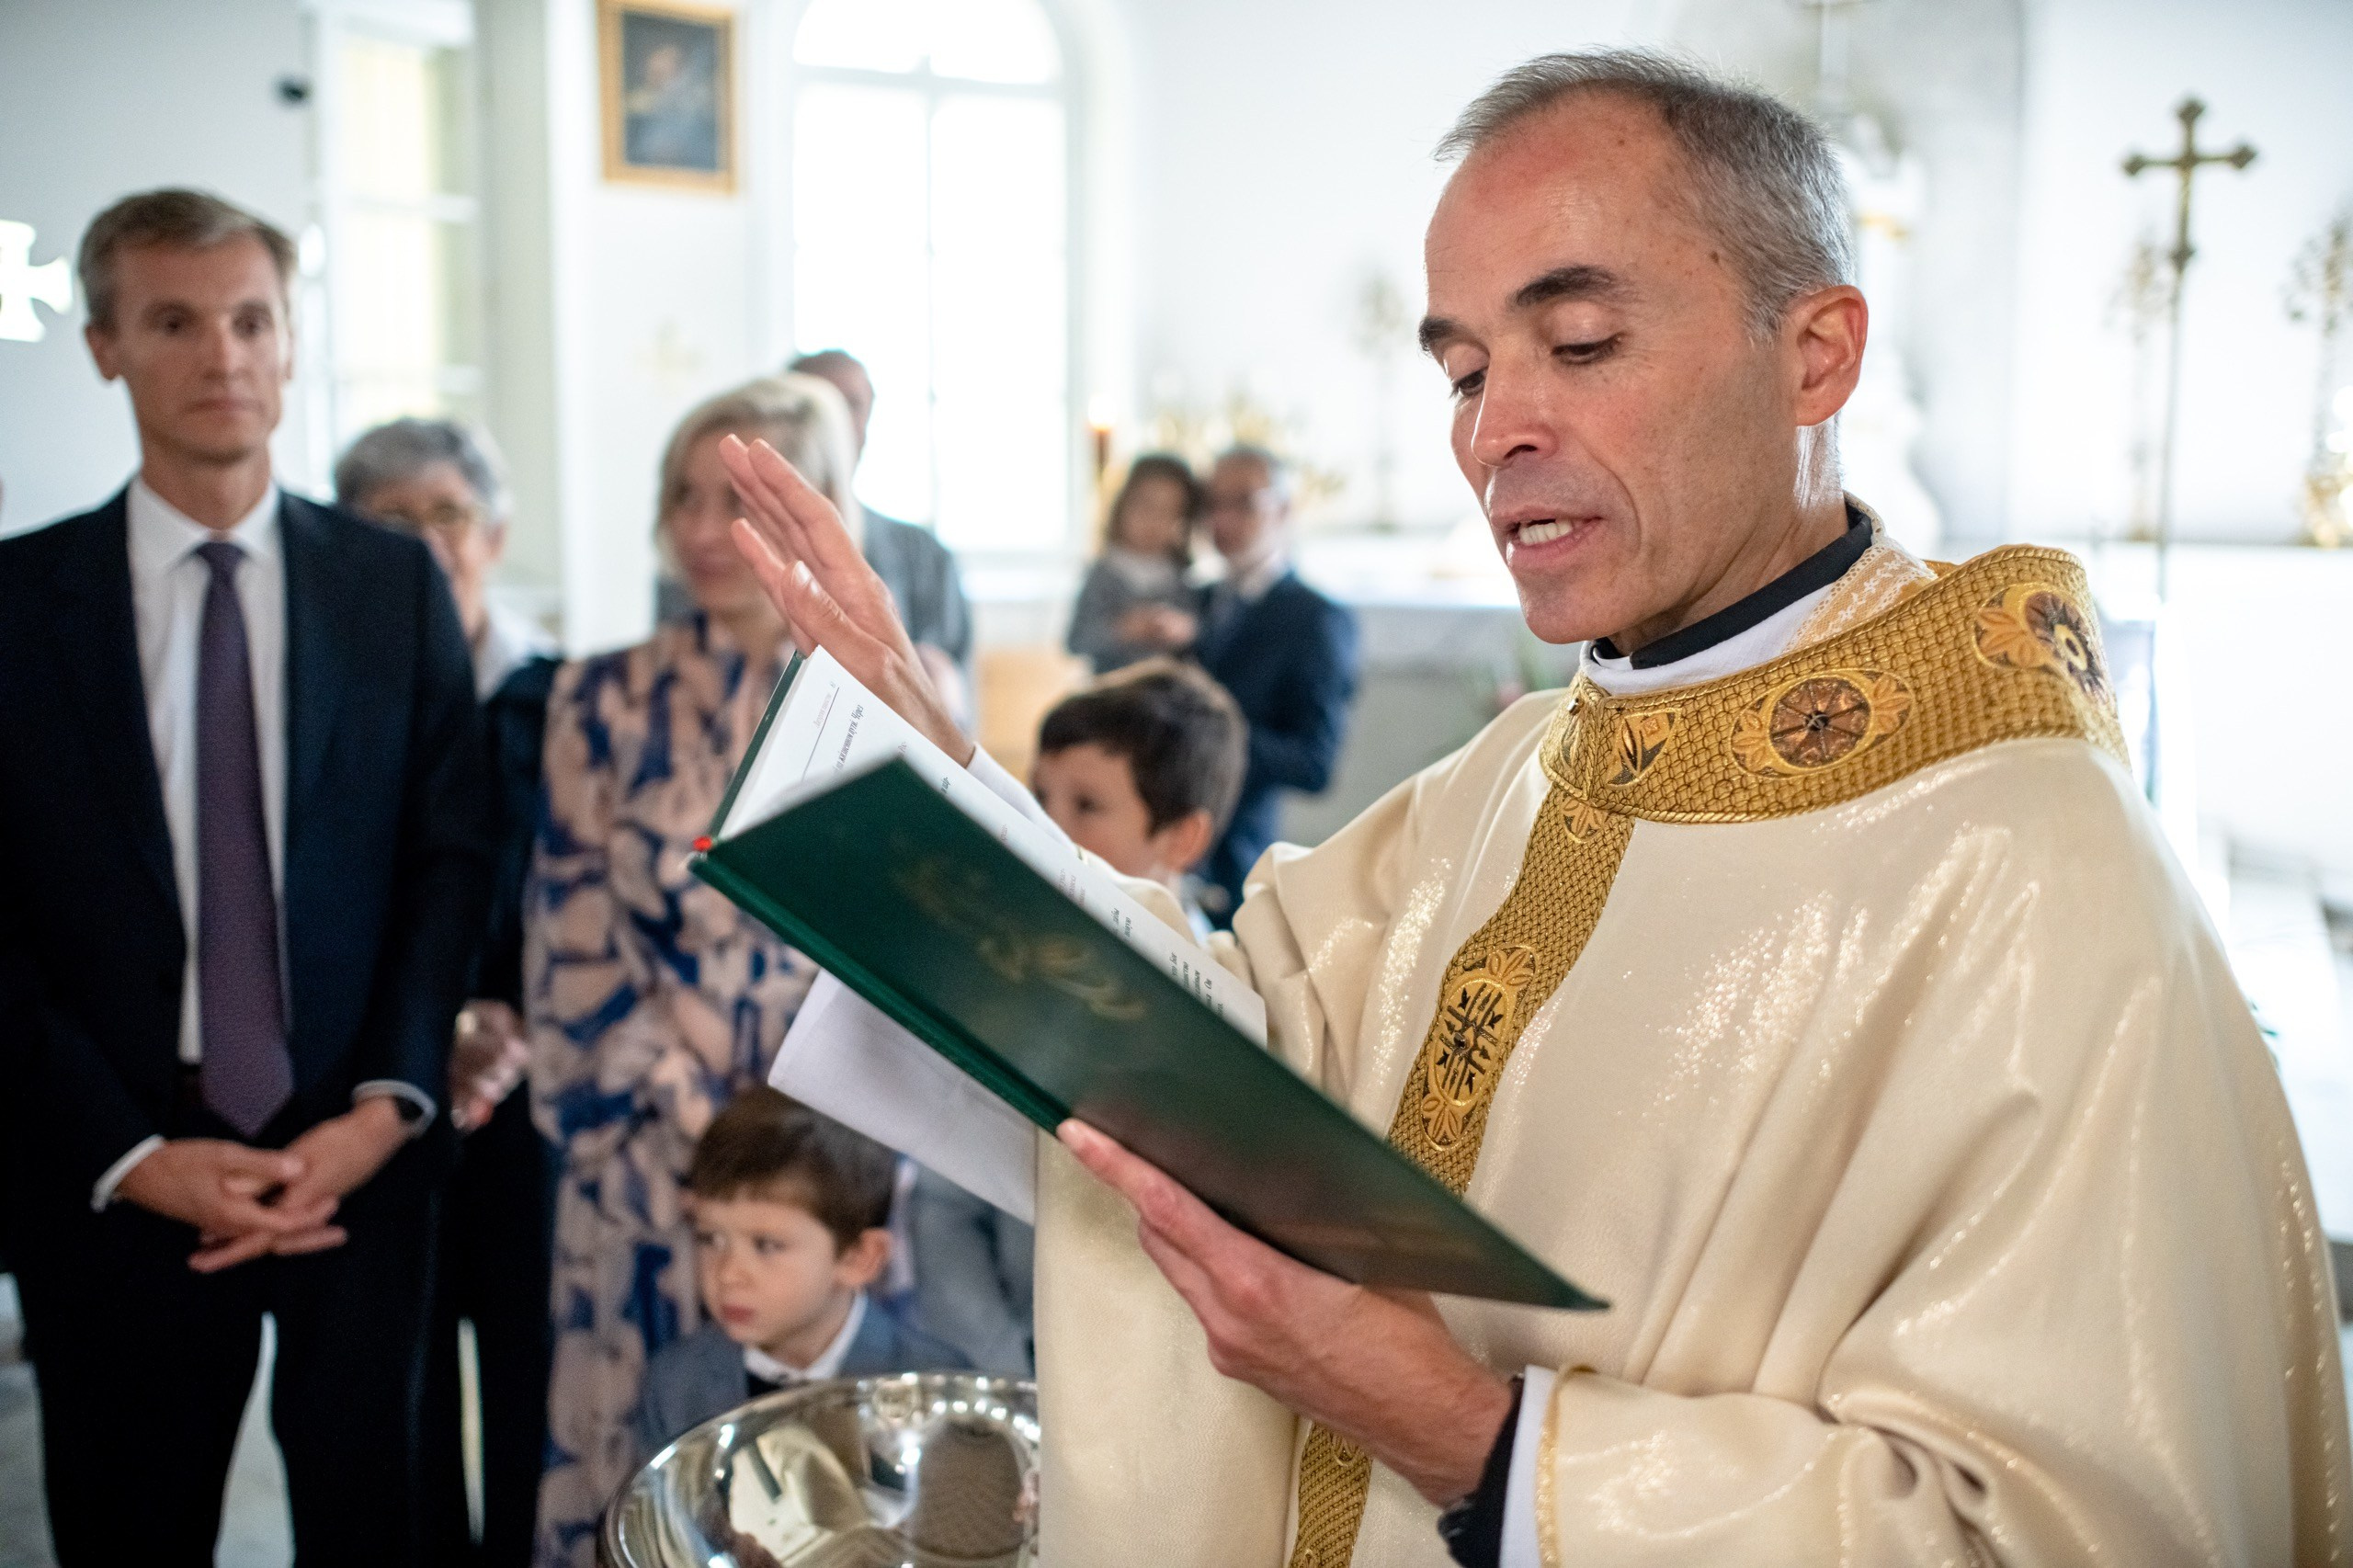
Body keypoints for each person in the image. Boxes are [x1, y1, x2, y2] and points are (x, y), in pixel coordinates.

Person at [710, 46, 2350, 1568]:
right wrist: (947, 791)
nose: (1496, 431)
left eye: (1578, 345)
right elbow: (1232, 1066)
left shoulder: (2033, 873)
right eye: (1466, 368)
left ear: (1817, 353)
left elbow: (2082, 1526)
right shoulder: (1522, 772)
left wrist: (1473, 1434)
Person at [0, 188, 491, 1563]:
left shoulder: (392, 586)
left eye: (251, 319)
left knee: (376, 1516)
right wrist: (131, 1153)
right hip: (120, 1164)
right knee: (127, 1520)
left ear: (288, 343)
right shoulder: (19, 610)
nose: (221, 354)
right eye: (173, 320)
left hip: (359, 1144)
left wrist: (392, 1104)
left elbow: (450, 860)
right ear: (104, 345)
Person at [526, 375, 841, 1566]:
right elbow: (566, 928)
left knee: (814, 1480)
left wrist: (772, 1105)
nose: (705, 531)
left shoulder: (876, 694)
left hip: (817, 1150)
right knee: (635, 1475)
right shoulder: (598, 695)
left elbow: (892, 948)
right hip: (637, 1156)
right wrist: (676, 1080)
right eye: (681, 498)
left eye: (738, 501)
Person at [336, 416, 558, 1568]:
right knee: (399, 1379)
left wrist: (511, 1017)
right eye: (392, 521)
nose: (427, 543)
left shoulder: (558, 692)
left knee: (533, 1367)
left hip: (536, 1081)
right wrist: (435, 1022)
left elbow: (583, 882)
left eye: (448, 515)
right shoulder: (335, 693)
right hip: (381, 1080)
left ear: (495, 531)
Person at [630, 1087, 967, 1458]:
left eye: (766, 1245)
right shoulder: (676, 1383)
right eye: (711, 1239)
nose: (728, 1275)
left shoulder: (938, 1388)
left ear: (858, 1258)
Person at [1194, 445, 1361, 923]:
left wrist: (1206, 736)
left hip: (1238, 853)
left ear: (1283, 511)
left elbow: (1315, 761)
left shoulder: (1315, 617)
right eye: (1212, 503)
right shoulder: (1193, 601)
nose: (1223, 519)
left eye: (1243, 502)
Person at [788, 349, 973, 678]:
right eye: (819, 408)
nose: (838, 424)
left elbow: (947, 704)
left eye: (852, 405)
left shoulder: (925, 556)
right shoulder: (720, 553)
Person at [1031, 656, 1247, 935]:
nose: (1044, 825)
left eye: (1086, 805)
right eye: (1039, 796)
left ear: (1182, 839)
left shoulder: (1194, 969)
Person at [1065, 453, 1207, 674]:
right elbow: (1076, 640)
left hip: (1165, 698)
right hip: (1111, 696)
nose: (1153, 521)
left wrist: (1184, 630)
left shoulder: (1182, 577)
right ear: (1123, 505)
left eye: (1168, 511)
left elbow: (1202, 637)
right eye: (1146, 506)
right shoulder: (1103, 573)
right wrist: (1123, 630)